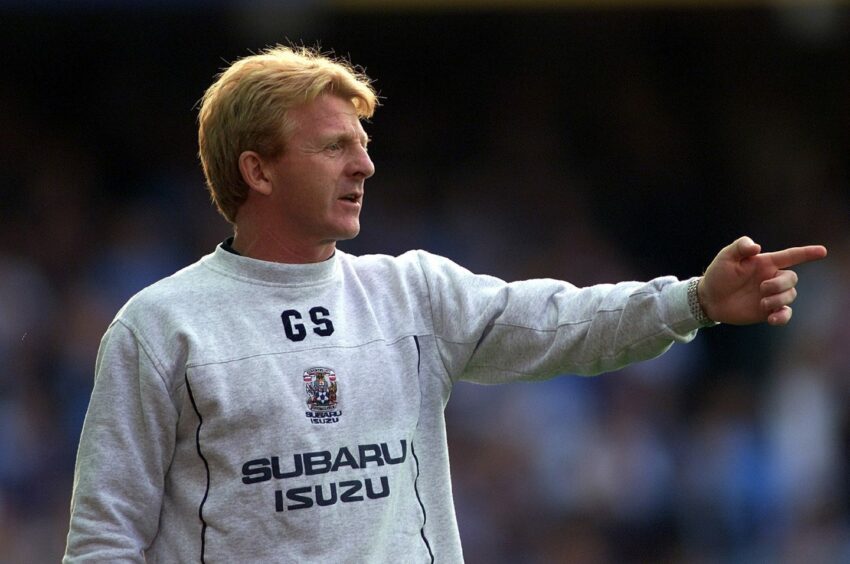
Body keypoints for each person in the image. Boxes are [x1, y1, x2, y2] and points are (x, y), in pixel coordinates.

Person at [63, 45, 827, 563]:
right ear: (257, 171)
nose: (365, 162)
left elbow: (568, 323)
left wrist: (693, 299)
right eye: (334, 146)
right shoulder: (162, 327)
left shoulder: (411, 292)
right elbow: (104, 540)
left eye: (362, 142)